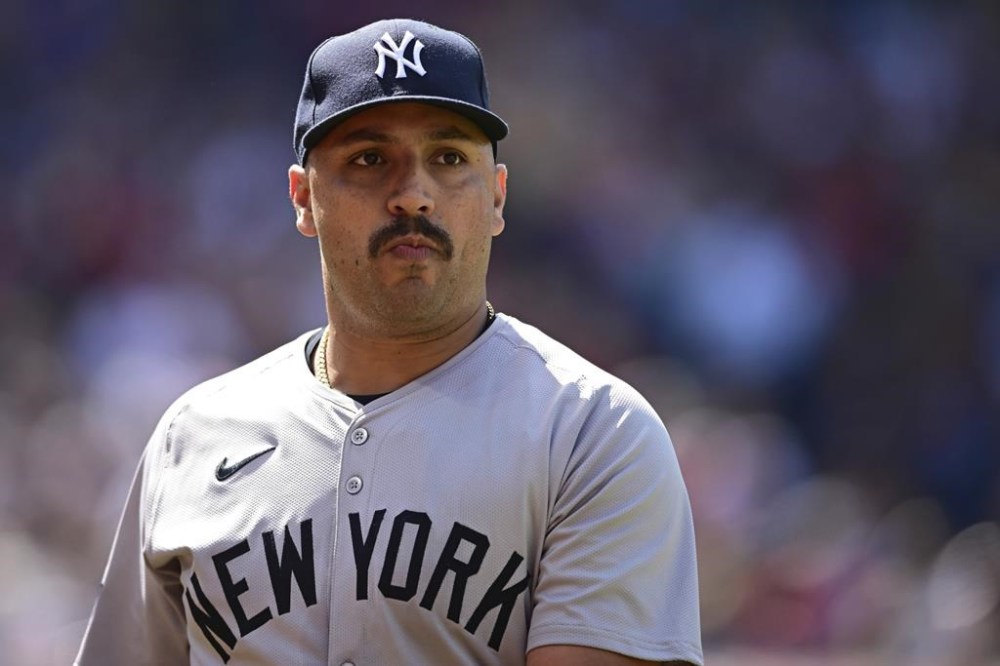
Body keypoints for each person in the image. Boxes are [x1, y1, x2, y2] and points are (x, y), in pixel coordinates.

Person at [75, 18, 703, 666]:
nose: (413, 194)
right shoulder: (194, 438)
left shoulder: (592, 434)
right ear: (301, 197)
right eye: (369, 159)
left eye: (450, 158)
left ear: (495, 195)